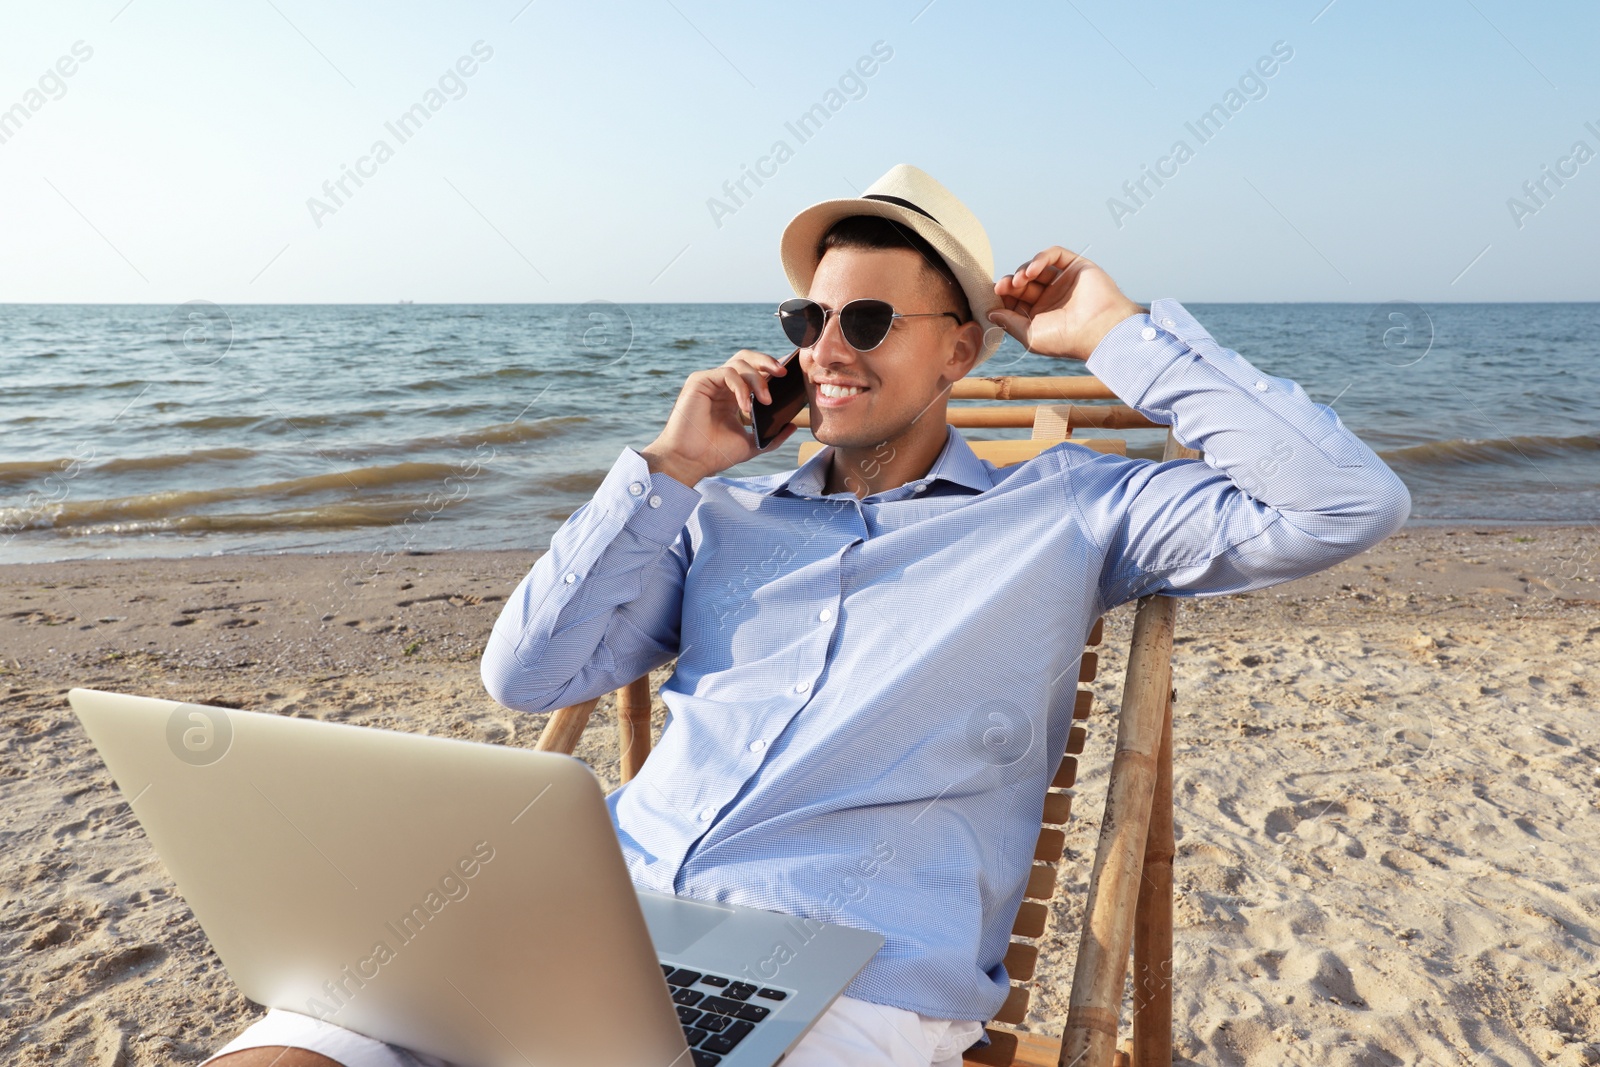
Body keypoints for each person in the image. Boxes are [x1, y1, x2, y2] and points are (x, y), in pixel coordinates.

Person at [205, 164, 1410, 1067]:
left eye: (870, 322)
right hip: (590, 915)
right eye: (808, 321)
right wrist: (670, 468)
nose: (828, 349)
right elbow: (527, 675)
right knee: (285, 1050)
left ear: (964, 349)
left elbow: (1345, 499)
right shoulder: (720, 519)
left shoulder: (1070, 516)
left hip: (847, 974)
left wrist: (1111, 334)